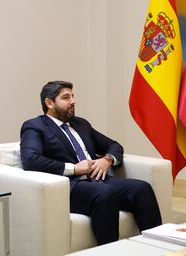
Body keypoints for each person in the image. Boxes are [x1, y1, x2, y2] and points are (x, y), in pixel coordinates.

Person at [20, 81, 162, 245]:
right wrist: (74, 168)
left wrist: (106, 160)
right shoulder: (35, 126)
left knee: (141, 188)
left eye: (73, 96)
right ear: (49, 103)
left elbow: (114, 146)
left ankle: (159, 247)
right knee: (105, 193)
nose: (73, 101)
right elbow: (31, 160)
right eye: (66, 97)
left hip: (98, 180)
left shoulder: (81, 124)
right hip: (69, 187)